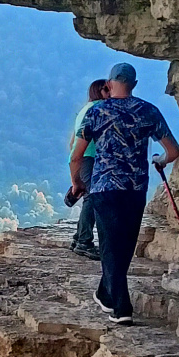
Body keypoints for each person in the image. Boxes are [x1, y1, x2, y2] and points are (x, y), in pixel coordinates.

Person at [69, 62, 179, 325]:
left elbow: (77, 156)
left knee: (109, 244)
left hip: (104, 187)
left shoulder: (97, 113)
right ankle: (106, 294)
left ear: (109, 84)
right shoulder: (148, 112)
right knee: (124, 245)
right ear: (135, 85)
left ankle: (122, 307)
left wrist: (76, 183)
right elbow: (173, 151)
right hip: (135, 188)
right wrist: (160, 160)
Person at [67, 80, 105, 258]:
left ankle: (79, 238)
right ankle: (84, 241)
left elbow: (73, 141)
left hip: (82, 157)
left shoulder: (85, 108)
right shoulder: (100, 108)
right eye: (108, 89)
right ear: (101, 91)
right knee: (93, 197)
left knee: (90, 196)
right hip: (90, 156)